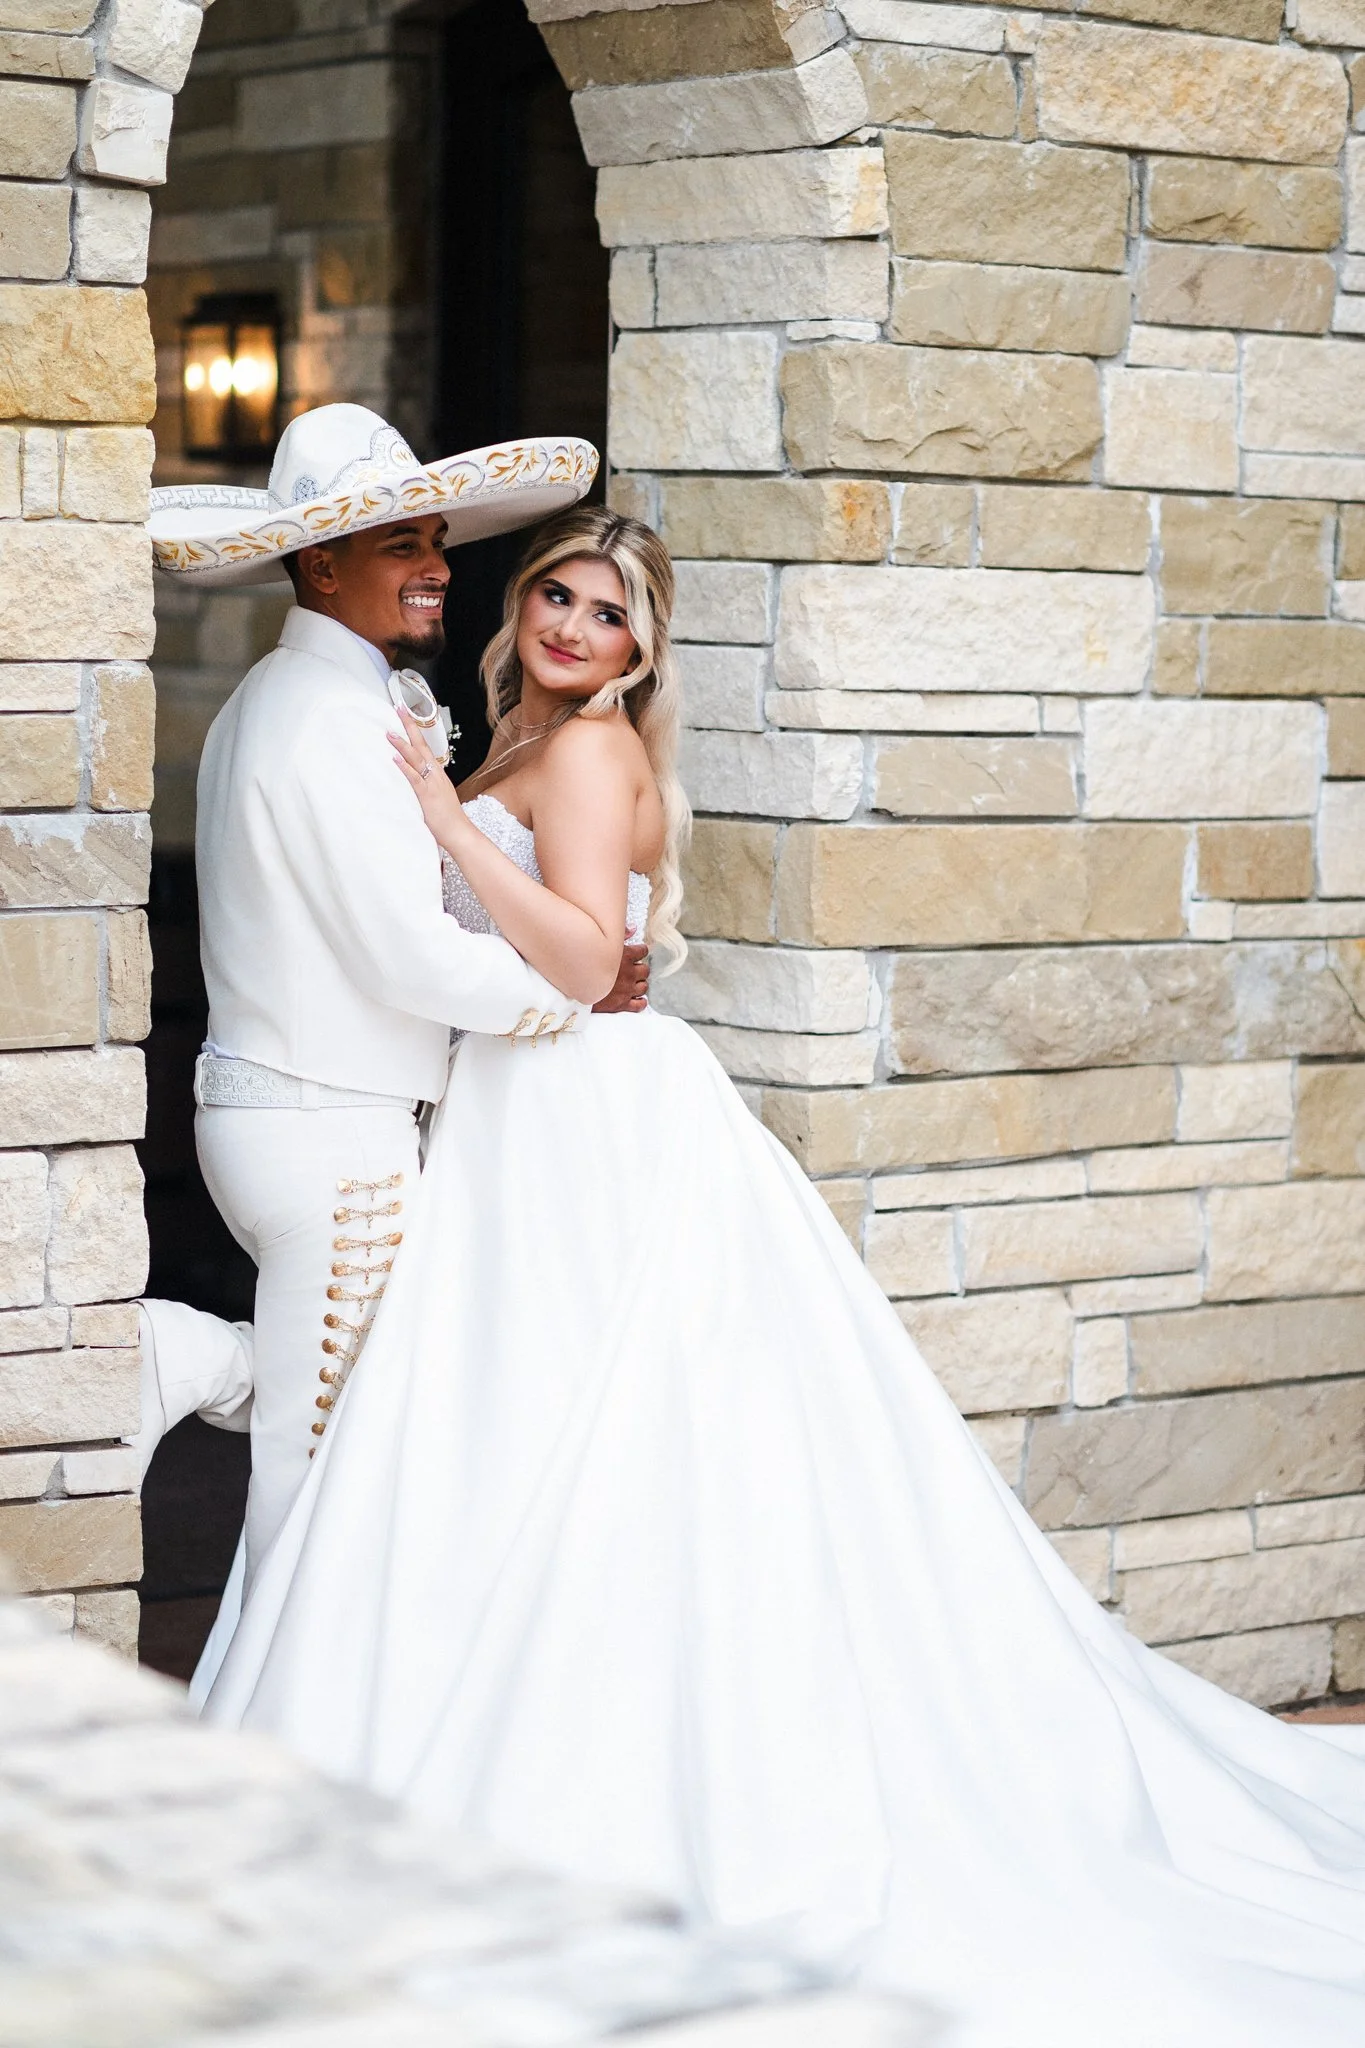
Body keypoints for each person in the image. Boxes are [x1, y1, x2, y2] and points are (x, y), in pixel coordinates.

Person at [200, 507, 1365, 2047]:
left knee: (606, 1438)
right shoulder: (505, 736)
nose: (568, 625)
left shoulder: (592, 752)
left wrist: (437, 814)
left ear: (637, 653)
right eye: (553, 590)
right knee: (522, 1437)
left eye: (605, 614)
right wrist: (453, 800)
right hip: (516, 1122)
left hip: (583, 1110)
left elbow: (563, 961)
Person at [138, 406, 647, 1691]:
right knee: (318, 1469)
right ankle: (270, 1727)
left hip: (296, 1114)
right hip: (333, 1138)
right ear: (319, 565)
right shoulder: (326, 716)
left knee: (372, 1412)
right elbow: (407, 952)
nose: (433, 563)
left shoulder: (302, 693)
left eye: (434, 538)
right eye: (397, 543)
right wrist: (564, 999)